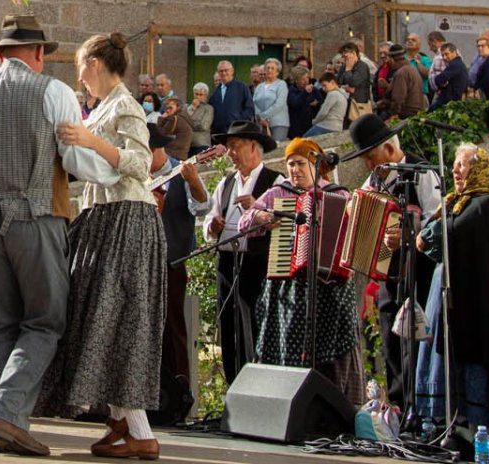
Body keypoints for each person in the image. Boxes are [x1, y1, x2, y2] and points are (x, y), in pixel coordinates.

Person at [0, 15, 121, 458]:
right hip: (36, 218)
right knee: (44, 321)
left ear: (0, 54)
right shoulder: (53, 92)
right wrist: (116, 167)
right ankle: (5, 413)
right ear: (39, 53)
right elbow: (76, 160)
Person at [37, 33, 167, 460]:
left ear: (95, 62)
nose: (79, 76)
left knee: (115, 316)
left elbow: (140, 163)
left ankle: (139, 431)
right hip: (104, 217)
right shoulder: (104, 107)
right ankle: (124, 422)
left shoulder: (125, 104)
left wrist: (90, 140)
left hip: (126, 218)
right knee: (101, 317)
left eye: (80, 66)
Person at [412, 143, 489, 437]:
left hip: (476, 301)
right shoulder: (457, 201)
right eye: (454, 164)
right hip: (451, 293)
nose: (455, 170)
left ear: (479, 169)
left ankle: (480, 430)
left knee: (474, 364)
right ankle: (451, 424)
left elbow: (452, 235)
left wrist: (432, 232)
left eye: (462, 164)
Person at [241, 137, 365, 407]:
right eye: (289, 164)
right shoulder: (278, 194)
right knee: (288, 346)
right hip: (289, 287)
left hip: (331, 290)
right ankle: (287, 403)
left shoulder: (339, 195)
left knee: (334, 348)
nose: (294, 170)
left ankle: (335, 406)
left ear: (316, 165)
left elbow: (353, 237)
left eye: (300, 163)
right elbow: (244, 221)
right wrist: (261, 217)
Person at [343, 112, 442, 417]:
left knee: (417, 342)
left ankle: (423, 411)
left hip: (421, 273)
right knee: (391, 341)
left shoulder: (422, 172)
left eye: (371, 157)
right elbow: (358, 207)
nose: (369, 165)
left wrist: (409, 236)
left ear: (388, 148)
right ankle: (398, 409)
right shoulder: (373, 179)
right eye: (366, 160)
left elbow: (437, 218)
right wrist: (352, 208)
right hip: (388, 275)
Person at [203, 119, 277, 385]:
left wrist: (257, 208)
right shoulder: (226, 183)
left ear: (254, 146)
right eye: (229, 147)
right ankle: (234, 389)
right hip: (227, 262)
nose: (231, 153)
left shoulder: (274, 180)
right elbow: (210, 217)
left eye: (235, 146)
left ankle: (259, 389)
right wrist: (213, 225)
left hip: (258, 262)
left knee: (258, 326)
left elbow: (283, 221)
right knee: (230, 327)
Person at [153, 129, 212, 428]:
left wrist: (194, 180)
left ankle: (180, 396)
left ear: (158, 150)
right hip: (143, 262)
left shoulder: (179, 172)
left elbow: (203, 207)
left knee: (174, 327)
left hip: (173, 260)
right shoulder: (138, 173)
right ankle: (153, 396)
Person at [379, 44, 426, 119]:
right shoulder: (412, 69)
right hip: (415, 113)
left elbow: (398, 98)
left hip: (405, 114)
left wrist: (393, 113)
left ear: (392, 59)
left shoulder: (401, 73)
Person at [249, 61, 289, 143]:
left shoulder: (281, 84)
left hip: (278, 123)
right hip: (262, 124)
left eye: (272, 68)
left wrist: (264, 116)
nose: (269, 70)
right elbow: (254, 102)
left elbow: (280, 104)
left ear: (277, 72)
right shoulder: (260, 86)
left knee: (276, 148)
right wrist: (260, 117)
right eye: (268, 68)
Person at [207, 60, 249, 134]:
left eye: (226, 70)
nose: (223, 73)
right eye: (221, 71)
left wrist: (238, 121)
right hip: (219, 132)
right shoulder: (216, 91)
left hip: (236, 130)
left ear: (232, 71)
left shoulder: (241, 87)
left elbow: (249, 108)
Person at [429, 39, 471, 108]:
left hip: (450, 100)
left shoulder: (455, 65)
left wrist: (443, 84)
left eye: (447, 54)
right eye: (443, 55)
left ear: (454, 52)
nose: (445, 57)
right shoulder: (458, 64)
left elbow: (439, 79)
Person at [286, 65, 324, 139]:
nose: (306, 81)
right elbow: (295, 103)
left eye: (307, 77)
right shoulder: (291, 91)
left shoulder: (313, 89)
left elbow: (321, 101)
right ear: (296, 80)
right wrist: (305, 92)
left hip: (310, 125)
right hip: (296, 128)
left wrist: (317, 103)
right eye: (303, 79)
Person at [307, 69, 349, 136]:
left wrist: (314, 121)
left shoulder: (332, 94)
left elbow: (323, 112)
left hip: (327, 125)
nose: (323, 89)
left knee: (303, 141)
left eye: (324, 85)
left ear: (332, 82)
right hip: (338, 127)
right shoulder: (343, 95)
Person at [335, 42, 373, 112]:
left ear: (354, 54)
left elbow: (353, 82)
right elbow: (337, 82)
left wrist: (348, 70)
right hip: (346, 104)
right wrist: (343, 87)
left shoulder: (362, 66)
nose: (344, 59)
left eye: (346, 56)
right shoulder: (343, 67)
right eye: (343, 57)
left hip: (359, 105)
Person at [155, 93, 192, 161]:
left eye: (170, 108)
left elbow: (160, 134)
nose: (168, 111)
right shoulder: (184, 117)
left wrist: (161, 119)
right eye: (166, 108)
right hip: (181, 155)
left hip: (173, 155)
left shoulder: (174, 119)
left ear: (178, 107)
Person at [186, 84, 213, 149]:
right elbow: (182, 122)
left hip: (201, 144)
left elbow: (203, 126)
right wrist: (193, 107)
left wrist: (188, 123)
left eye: (201, 95)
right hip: (187, 144)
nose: (198, 97)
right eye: (196, 94)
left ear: (205, 96)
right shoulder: (187, 107)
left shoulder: (208, 108)